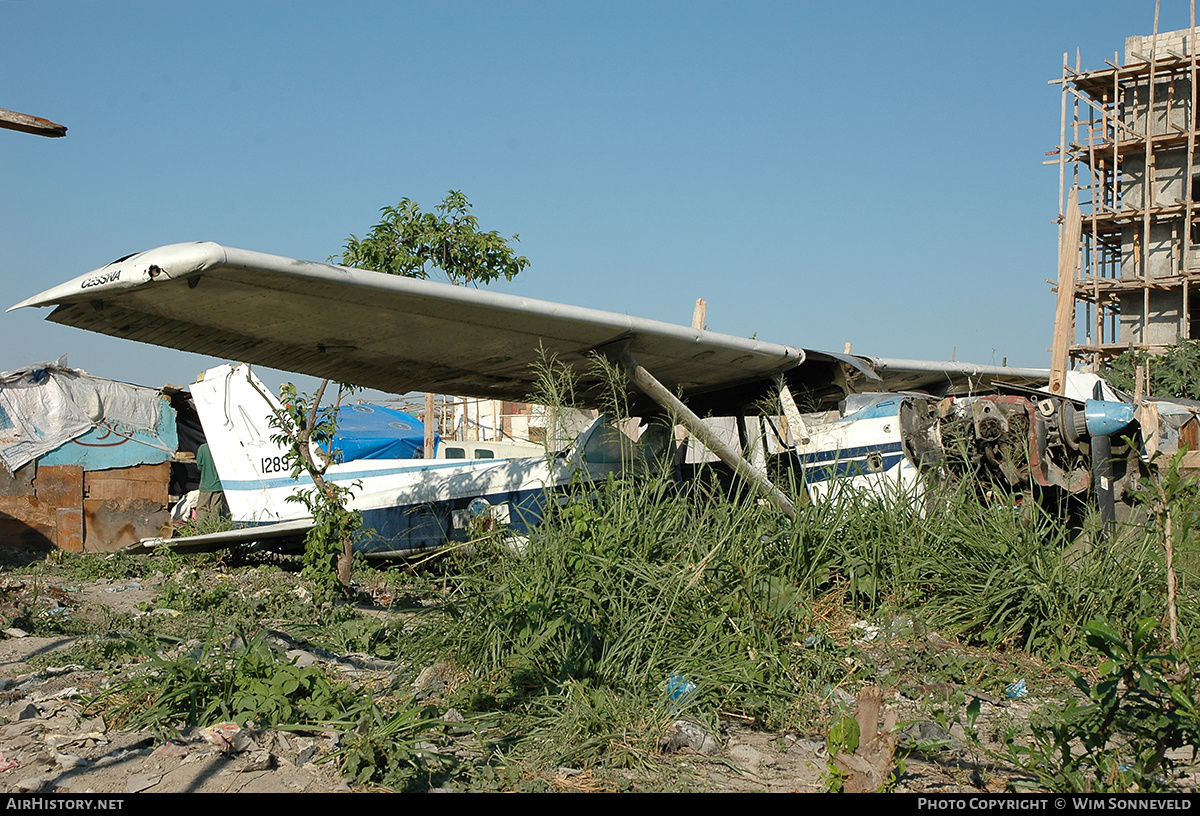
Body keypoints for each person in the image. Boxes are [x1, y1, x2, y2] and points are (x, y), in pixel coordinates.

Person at [194, 442, 228, 522]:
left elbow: (199, 466)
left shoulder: (202, 448)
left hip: (206, 484)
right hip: (218, 485)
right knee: (215, 509)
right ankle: (213, 528)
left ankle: (201, 529)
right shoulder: (222, 447)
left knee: (202, 508)